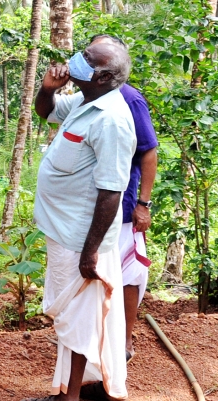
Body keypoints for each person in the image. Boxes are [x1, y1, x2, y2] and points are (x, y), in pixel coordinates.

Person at [28, 40, 136, 401]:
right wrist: (47, 88)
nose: (78, 59)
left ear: (103, 76)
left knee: (78, 318)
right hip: (62, 230)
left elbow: (111, 192)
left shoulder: (113, 119)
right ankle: (67, 391)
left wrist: (90, 252)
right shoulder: (86, 101)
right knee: (70, 317)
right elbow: (47, 112)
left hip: (80, 239)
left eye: (88, 59)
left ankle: (70, 397)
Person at [90, 34, 158, 361]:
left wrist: (144, 204)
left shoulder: (130, 99)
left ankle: (125, 340)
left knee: (128, 273)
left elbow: (148, 151)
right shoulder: (84, 97)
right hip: (86, 207)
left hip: (123, 206)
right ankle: (93, 341)